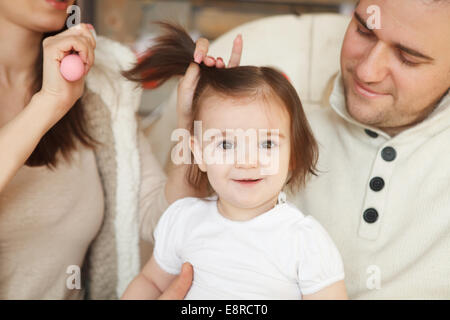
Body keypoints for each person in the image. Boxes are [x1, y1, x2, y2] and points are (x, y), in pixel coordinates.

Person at [174, 0, 450, 299]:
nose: (368, 71)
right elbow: (180, 235)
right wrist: (198, 121)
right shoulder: (283, 135)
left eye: (408, 57)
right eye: (363, 30)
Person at [120, 23, 347, 300]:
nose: (247, 161)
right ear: (199, 154)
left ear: (293, 156)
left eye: (267, 143)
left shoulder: (305, 241)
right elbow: (151, 283)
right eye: (226, 144)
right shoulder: (183, 219)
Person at [0, 0, 201, 299]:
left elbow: (159, 219)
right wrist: (49, 104)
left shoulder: (103, 82)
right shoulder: (60, 94)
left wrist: (194, 125)